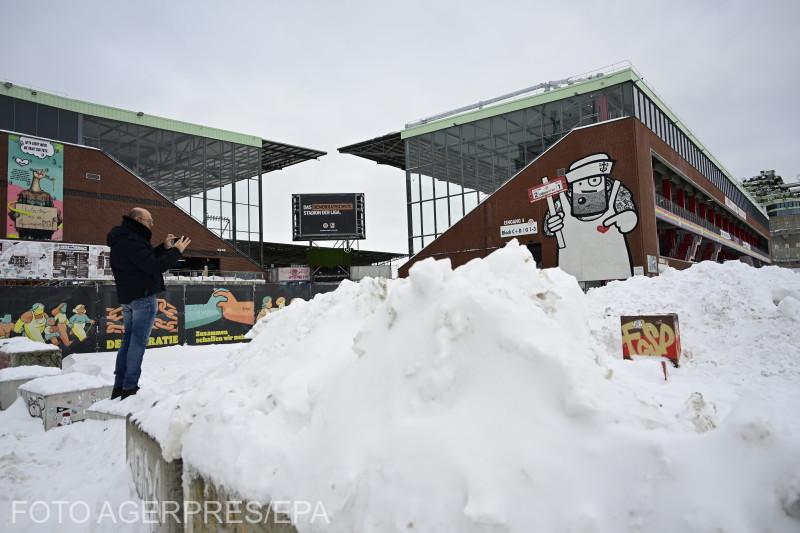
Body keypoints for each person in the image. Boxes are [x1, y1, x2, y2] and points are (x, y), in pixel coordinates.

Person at [107, 208, 190, 399]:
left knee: (128, 341)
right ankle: (130, 388)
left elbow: (143, 260)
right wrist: (176, 251)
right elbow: (153, 266)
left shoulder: (123, 239)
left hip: (128, 298)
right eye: (149, 221)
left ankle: (119, 387)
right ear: (137, 219)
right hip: (143, 298)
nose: (152, 224)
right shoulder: (134, 240)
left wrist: (163, 247)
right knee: (137, 342)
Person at [543, 152, 638, 282]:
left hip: (615, 275)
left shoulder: (616, 192)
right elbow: (548, 227)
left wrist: (628, 219)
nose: (587, 188)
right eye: (580, 183)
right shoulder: (563, 200)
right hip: (573, 275)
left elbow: (629, 213)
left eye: (594, 181)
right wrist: (551, 225)